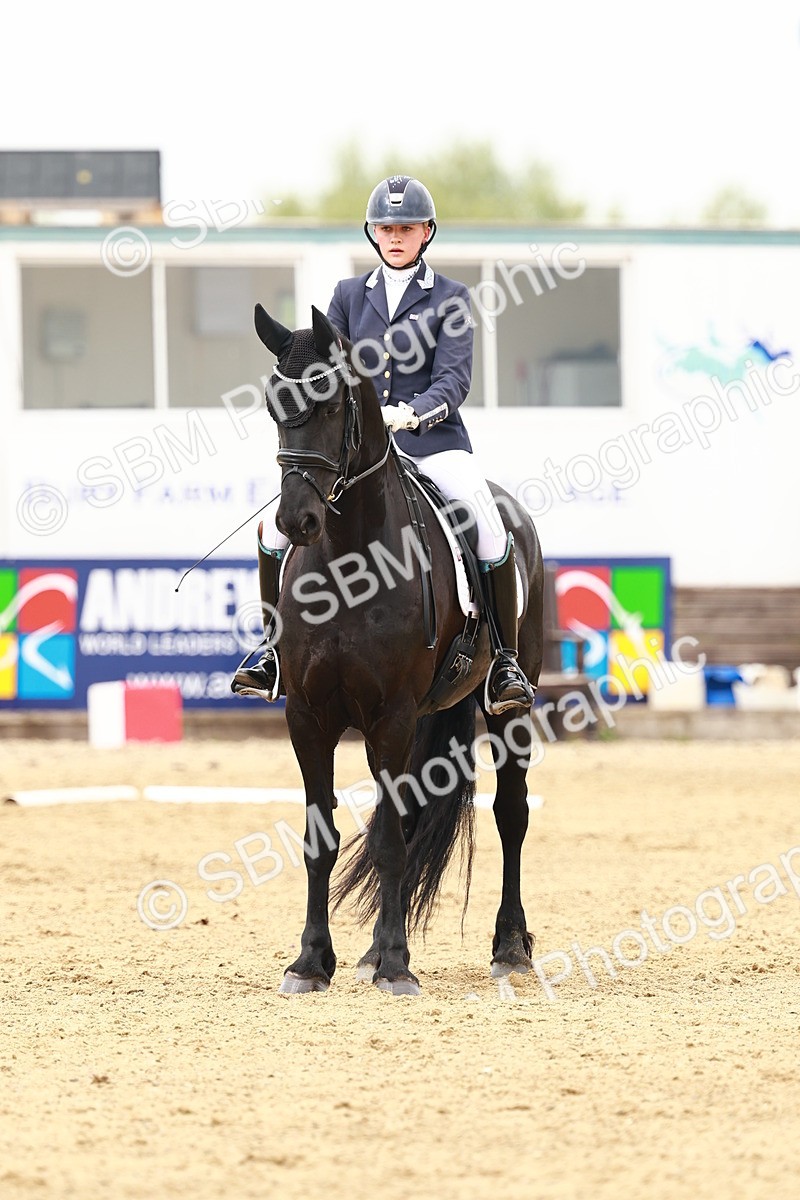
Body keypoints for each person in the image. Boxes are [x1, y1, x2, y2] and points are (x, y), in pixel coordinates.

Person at [232, 175, 535, 714]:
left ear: (426, 233)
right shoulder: (348, 297)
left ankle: (505, 661)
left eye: (407, 228)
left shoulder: (452, 299)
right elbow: (333, 368)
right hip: (360, 454)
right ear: (373, 234)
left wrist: (412, 415)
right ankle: (272, 651)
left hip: (435, 444)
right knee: (274, 531)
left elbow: (454, 380)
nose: (396, 236)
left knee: (489, 528)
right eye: (386, 228)